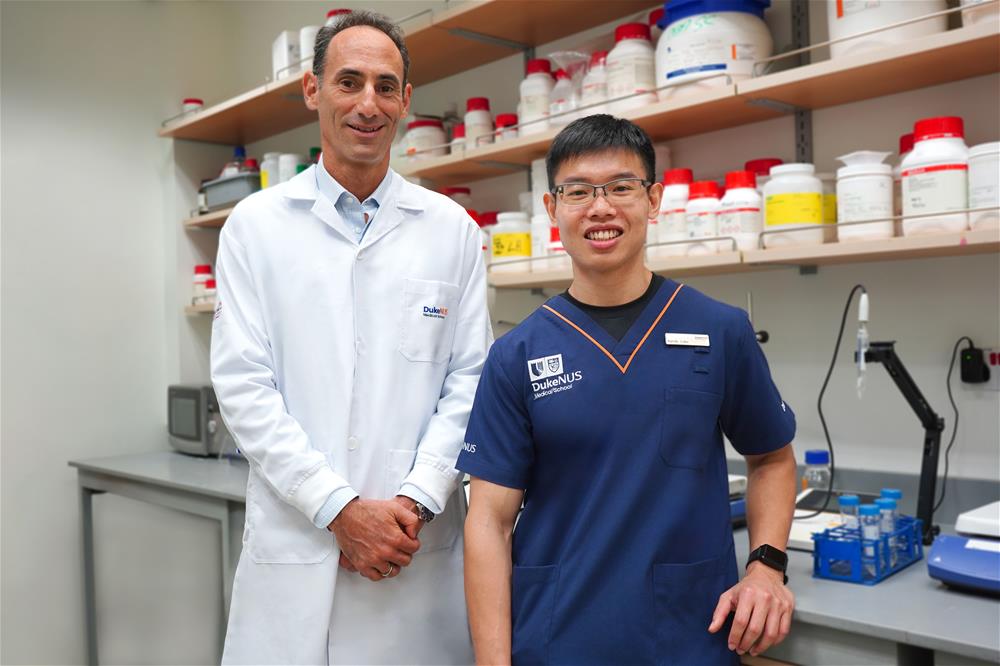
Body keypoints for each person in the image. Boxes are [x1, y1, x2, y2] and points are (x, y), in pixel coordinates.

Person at [458, 114, 797, 665]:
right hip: (558, 639)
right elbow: (489, 522)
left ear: (654, 200)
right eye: (578, 191)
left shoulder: (720, 331)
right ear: (552, 210)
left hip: (690, 637)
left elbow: (772, 458)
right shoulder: (515, 355)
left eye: (621, 187)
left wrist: (766, 564)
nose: (601, 208)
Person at [211, 10, 489, 665]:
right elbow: (243, 386)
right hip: (298, 546)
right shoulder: (255, 227)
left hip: (412, 549)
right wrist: (338, 509)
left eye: (385, 86)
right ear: (313, 91)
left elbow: (471, 378)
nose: (368, 103)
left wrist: (416, 499)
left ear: (405, 101)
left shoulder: (452, 230)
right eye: (349, 82)